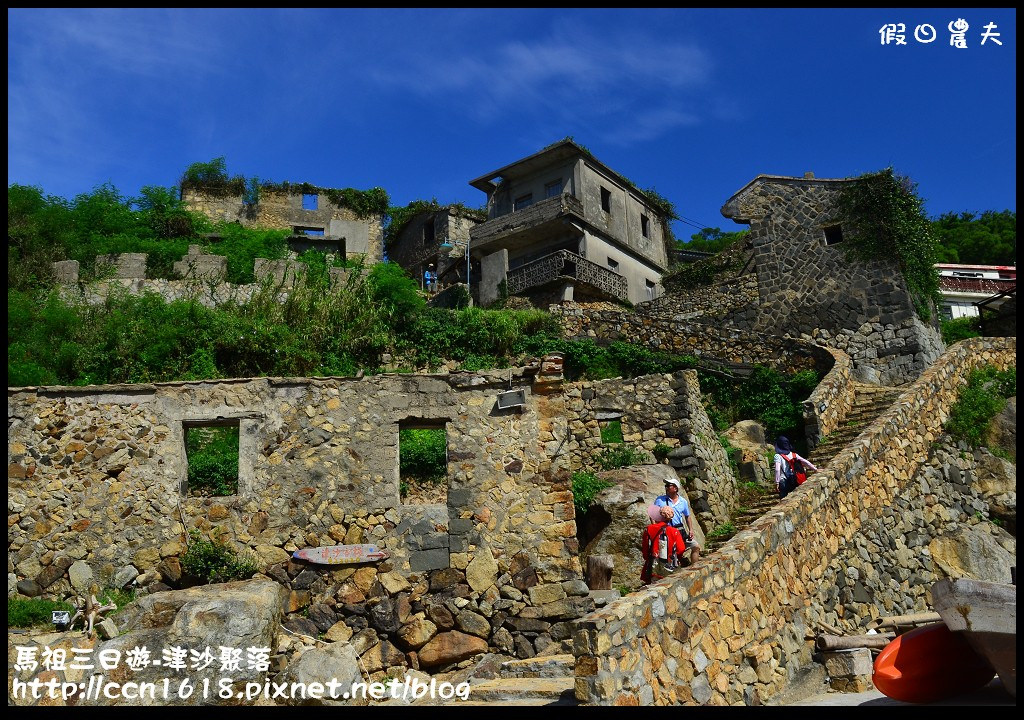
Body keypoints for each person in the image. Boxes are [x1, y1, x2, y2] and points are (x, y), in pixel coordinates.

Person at [653, 478, 701, 563]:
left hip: (679, 530)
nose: (666, 487)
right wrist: (655, 528)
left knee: (695, 546)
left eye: (668, 486)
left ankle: (694, 567)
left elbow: (687, 516)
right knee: (665, 555)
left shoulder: (683, 501)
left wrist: (691, 530)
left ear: (675, 488)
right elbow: (652, 514)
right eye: (666, 486)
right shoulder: (660, 500)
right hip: (665, 531)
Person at [640, 505, 689, 583]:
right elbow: (681, 549)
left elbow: (645, 548)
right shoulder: (674, 531)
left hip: (654, 566)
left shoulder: (649, 529)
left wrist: (647, 558)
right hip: (671, 567)